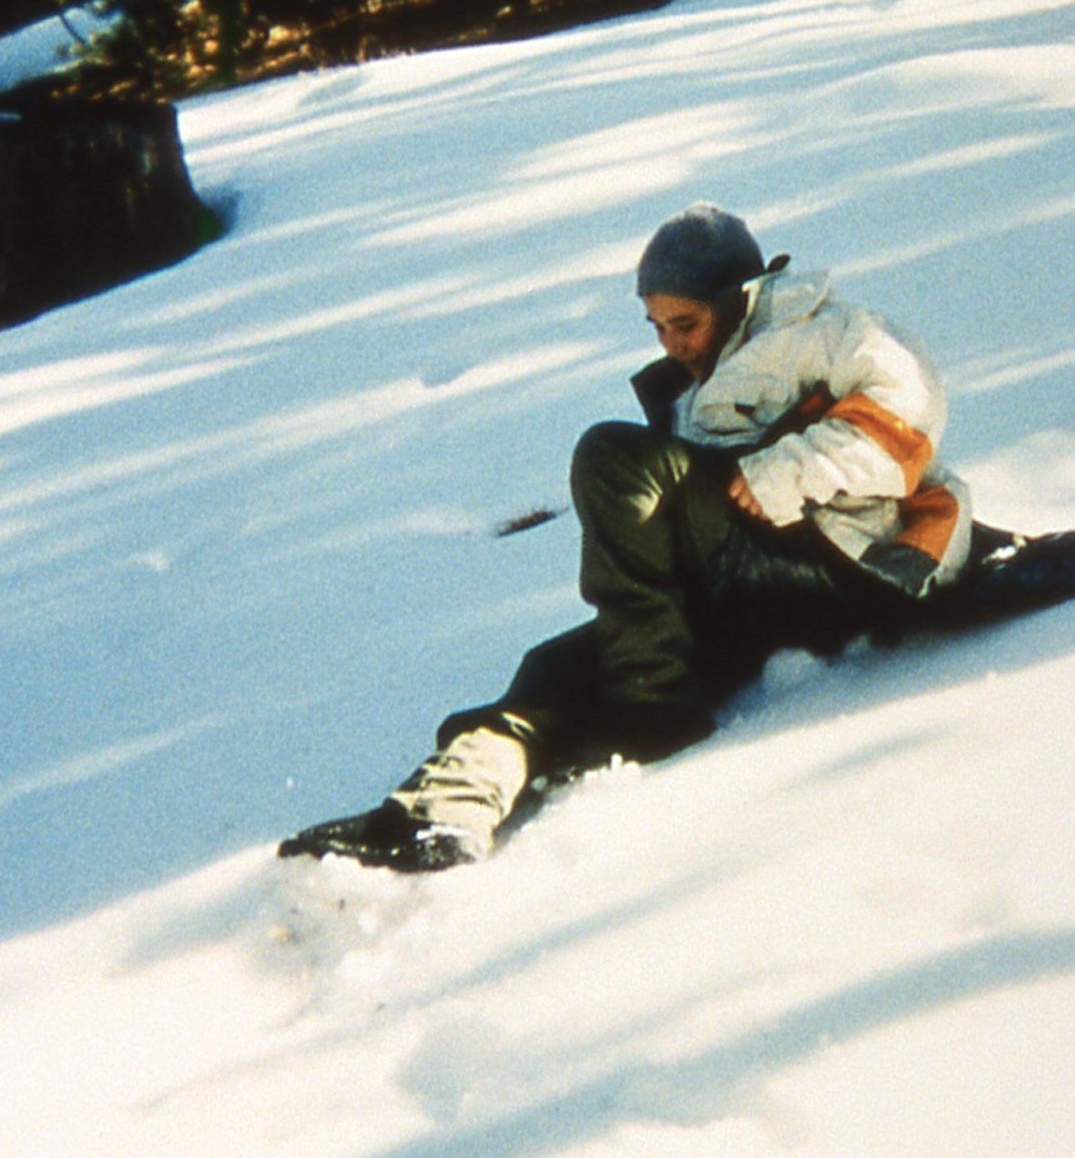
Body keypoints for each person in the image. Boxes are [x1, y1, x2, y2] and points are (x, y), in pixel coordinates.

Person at [283, 205, 973, 871]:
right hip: (753, 586)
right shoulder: (699, 380)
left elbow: (911, 410)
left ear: (738, 298)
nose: (671, 342)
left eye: (685, 322)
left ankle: (653, 707)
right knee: (552, 669)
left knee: (612, 455)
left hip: (844, 558)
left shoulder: (815, 329)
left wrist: (784, 472)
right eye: (657, 326)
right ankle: (443, 812)